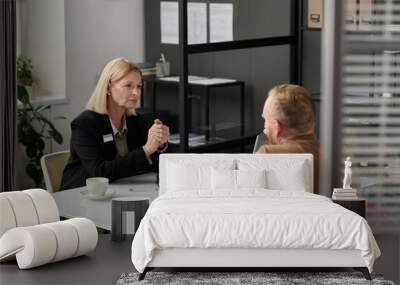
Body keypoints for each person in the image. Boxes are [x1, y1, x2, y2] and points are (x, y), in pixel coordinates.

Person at [60, 58, 169, 190]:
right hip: (81, 196)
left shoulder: (136, 121)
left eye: (139, 86)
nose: (136, 93)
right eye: (128, 86)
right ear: (108, 88)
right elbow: (100, 173)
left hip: (123, 191)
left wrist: (159, 144)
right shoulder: (84, 125)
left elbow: (151, 166)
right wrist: (146, 150)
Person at [257, 84, 320, 194]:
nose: (265, 129)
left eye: (265, 120)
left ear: (277, 127)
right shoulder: (336, 156)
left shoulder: (267, 155)